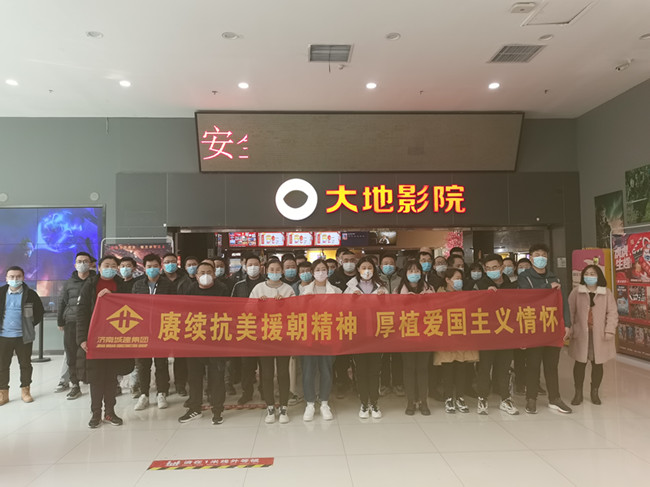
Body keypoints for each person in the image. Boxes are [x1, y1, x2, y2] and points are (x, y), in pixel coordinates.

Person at [77, 255, 132, 427]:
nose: (110, 268)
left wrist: (112, 295)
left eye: (113, 266)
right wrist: (82, 339)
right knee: (96, 377)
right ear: (99, 268)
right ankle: (95, 413)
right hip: (95, 338)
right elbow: (82, 312)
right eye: (106, 265)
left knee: (111, 377)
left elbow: (130, 306)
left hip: (115, 338)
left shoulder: (122, 285)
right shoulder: (90, 285)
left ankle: (110, 412)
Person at [518, 243, 572, 414]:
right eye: (537, 254)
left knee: (552, 365)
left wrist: (567, 324)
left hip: (552, 327)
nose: (540, 258)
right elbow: (527, 297)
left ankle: (554, 398)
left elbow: (563, 302)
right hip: (534, 327)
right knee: (533, 364)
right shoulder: (524, 277)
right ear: (531, 257)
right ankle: (531, 399)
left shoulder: (554, 277)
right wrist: (547, 288)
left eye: (543, 255)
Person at [178, 262, 230, 424]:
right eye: (202, 272)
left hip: (216, 340)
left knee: (217, 377)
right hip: (195, 339)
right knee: (194, 377)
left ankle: (217, 410)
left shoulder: (222, 289)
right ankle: (195, 408)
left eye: (209, 272)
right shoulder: (190, 289)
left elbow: (229, 312)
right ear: (196, 275)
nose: (205, 275)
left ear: (214, 274)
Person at [250, 259, 295, 424]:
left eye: (277, 269)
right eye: (272, 269)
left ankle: (283, 407)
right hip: (264, 337)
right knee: (267, 373)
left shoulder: (288, 289)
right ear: (266, 271)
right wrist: (259, 306)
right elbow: (248, 311)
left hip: (283, 337)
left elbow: (296, 312)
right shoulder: (258, 288)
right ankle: (270, 406)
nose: (275, 272)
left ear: (282, 271)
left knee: (283, 373)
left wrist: (284, 305)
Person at [568, 265, 618, 406]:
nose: (589, 276)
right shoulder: (576, 292)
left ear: (599, 276)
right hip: (581, 334)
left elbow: (612, 313)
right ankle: (578, 393)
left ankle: (594, 392)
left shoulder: (606, 293)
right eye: (587, 273)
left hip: (599, 335)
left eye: (592, 274)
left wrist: (609, 330)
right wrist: (571, 329)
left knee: (597, 364)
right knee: (580, 363)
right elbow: (570, 312)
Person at [132, 253, 176, 410]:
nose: (152, 269)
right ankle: (144, 394)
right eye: (149, 266)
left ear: (160, 267)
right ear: (144, 268)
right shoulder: (138, 285)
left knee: (161, 364)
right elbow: (132, 306)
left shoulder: (168, 285)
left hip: (161, 329)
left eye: (155, 266)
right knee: (143, 365)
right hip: (142, 330)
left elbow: (174, 306)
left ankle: (161, 393)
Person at [476, 254, 519, 415]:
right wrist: (484, 295)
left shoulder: (512, 285)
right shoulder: (480, 284)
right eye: (488, 268)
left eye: (494, 267)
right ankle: (482, 398)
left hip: (506, 333)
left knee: (504, 368)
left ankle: (505, 399)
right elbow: (472, 305)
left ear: (502, 268)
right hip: (486, 334)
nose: (491, 270)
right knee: (484, 367)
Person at [345, 256, 387, 419]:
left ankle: (374, 402)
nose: (367, 271)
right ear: (358, 269)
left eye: (370, 267)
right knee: (361, 371)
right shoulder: (350, 287)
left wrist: (384, 300)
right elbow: (341, 309)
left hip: (376, 335)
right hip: (358, 335)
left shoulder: (381, 287)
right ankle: (363, 403)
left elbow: (391, 310)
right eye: (364, 268)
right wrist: (352, 300)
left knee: (375, 370)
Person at [299, 259, 340, 421]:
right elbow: (296, 313)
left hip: (328, 334)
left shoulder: (336, 291)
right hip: (309, 336)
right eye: (318, 269)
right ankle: (309, 403)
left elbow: (343, 312)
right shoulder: (304, 291)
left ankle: (324, 402)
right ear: (312, 272)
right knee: (308, 370)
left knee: (326, 370)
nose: (321, 272)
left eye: (324, 269)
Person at [435, 268, 478, 414]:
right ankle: (448, 398)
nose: (459, 281)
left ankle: (460, 397)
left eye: (460, 278)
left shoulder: (466, 295)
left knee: (461, 367)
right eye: (456, 278)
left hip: (462, 336)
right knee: (448, 368)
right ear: (447, 280)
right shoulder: (438, 295)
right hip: (446, 337)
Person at [0, 266, 44, 406]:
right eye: (11, 277)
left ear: (23, 278)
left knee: (25, 364)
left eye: (18, 276)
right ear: (6, 278)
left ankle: (25, 390)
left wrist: (29, 325)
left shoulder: (30, 294)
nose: (15, 279)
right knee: (2, 365)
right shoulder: (1, 292)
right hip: (3, 335)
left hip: (23, 336)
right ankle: (3, 393)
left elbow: (39, 312)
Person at [56, 252, 95, 400]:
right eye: (79, 261)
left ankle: (91, 381)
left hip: (91, 323)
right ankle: (75, 385)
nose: (82, 264)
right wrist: (60, 321)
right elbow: (62, 302)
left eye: (85, 261)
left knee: (90, 354)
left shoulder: (95, 281)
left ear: (91, 264)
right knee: (71, 354)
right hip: (71, 322)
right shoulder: (69, 283)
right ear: (75, 264)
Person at [397, 260, 434, 415]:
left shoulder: (429, 289)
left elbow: (438, 309)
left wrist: (427, 300)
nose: (414, 274)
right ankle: (411, 401)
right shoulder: (399, 291)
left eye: (417, 270)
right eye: (410, 271)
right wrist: (405, 302)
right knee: (409, 368)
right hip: (406, 335)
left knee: (423, 368)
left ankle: (423, 401)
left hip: (425, 334)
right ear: (405, 273)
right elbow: (392, 312)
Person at [232, 254, 265, 405]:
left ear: (261, 266)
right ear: (245, 267)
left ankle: (264, 391)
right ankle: (247, 393)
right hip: (246, 329)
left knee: (264, 364)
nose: (253, 267)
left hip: (265, 329)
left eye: (255, 264)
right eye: (250, 264)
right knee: (247, 365)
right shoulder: (239, 285)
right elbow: (232, 307)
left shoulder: (267, 283)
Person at [329, 249, 358, 398]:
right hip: (340, 322)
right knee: (341, 356)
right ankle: (342, 382)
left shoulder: (362, 276)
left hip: (359, 321)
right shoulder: (333, 278)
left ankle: (358, 383)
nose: (349, 263)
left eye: (352, 260)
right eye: (346, 260)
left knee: (358, 354)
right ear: (340, 261)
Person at [378, 252, 404, 397]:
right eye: (385, 263)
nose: (388, 266)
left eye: (391, 263)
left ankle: (398, 383)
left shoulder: (401, 281)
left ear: (395, 265)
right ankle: (385, 383)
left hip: (399, 323)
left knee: (397, 355)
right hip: (381, 323)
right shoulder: (375, 281)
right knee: (383, 356)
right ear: (380, 266)